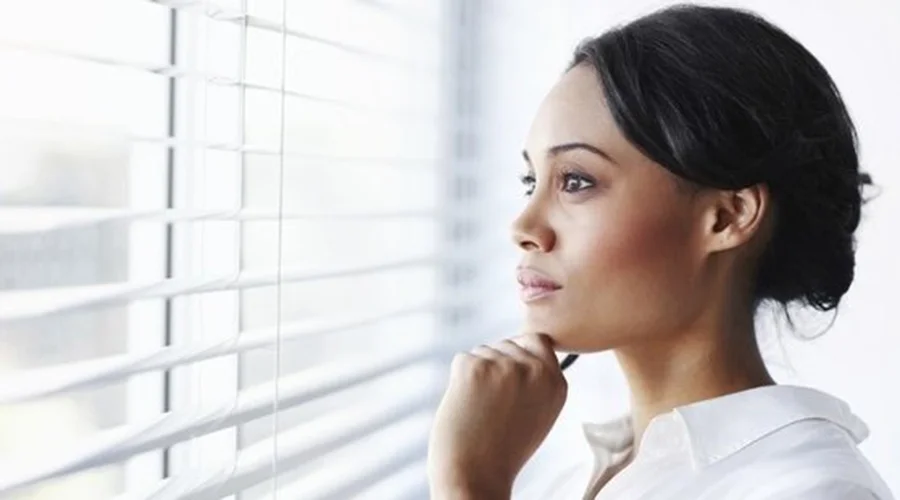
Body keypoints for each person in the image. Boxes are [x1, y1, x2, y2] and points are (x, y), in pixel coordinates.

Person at [427, 4, 894, 499]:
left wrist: (468, 481)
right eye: (531, 182)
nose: (523, 227)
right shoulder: (593, 472)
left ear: (728, 216)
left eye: (576, 181)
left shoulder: (813, 490)